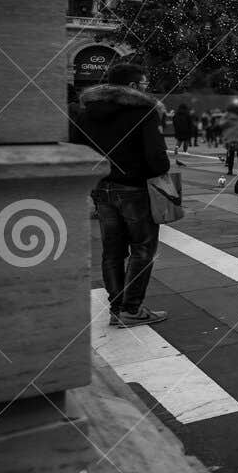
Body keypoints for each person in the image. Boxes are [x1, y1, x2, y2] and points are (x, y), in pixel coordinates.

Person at [71, 62, 172, 328]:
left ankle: (117, 308)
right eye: (145, 83)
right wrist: (158, 167)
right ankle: (131, 308)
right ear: (132, 86)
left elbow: (77, 150)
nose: (147, 88)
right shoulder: (143, 111)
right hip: (134, 188)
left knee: (112, 251)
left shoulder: (85, 112)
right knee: (142, 248)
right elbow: (156, 158)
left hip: (100, 188)